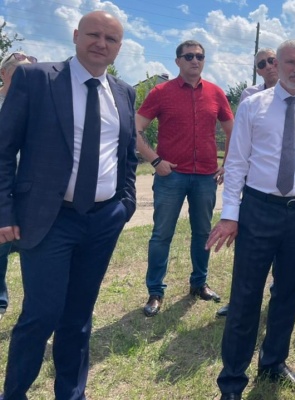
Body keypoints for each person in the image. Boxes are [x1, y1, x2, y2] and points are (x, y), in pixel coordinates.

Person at [0, 11, 137, 398]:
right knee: (41, 314)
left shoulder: (124, 92)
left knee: (78, 316)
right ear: (76, 35)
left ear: (119, 48)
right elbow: (3, 150)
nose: (101, 43)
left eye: (111, 39)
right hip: (50, 219)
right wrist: (4, 211)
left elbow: (127, 154)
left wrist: (125, 204)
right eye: (93, 34)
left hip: (103, 220)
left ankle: (71, 393)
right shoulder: (36, 79)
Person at [205, 39, 295, 400]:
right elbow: (236, 162)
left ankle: (273, 362)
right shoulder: (253, 106)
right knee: (246, 295)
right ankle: (232, 381)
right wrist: (230, 215)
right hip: (258, 209)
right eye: (291, 62)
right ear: (277, 65)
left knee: (289, 291)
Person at [136, 40, 234, 317]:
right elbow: (135, 128)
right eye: (189, 56)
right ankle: (155, 291)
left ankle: (199, 284)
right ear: (177, 61)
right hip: (171, 176)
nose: (195, 61)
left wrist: (227, 164)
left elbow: (233, 130)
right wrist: (155, 160)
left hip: (205, 177)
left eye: (200, 56)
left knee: (203, 233)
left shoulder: (216, 93)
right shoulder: (161, 92)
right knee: (161, 235)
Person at [216, 47, 279, 318]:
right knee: (248, 250)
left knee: (282, 252)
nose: (268, 66)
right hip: (254, 186)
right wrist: (230, 168)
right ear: (258, 70)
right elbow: (240, 139)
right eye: (261, 64)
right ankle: (240, 301)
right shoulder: (250, 97)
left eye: (272, 60)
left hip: (285, 189)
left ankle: (276, 297)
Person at [0, 51, 37, 322]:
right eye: (19, 73)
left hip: (28, 189)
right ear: (3, 73)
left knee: (34, 249)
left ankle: (37, 305)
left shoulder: (37, 106)